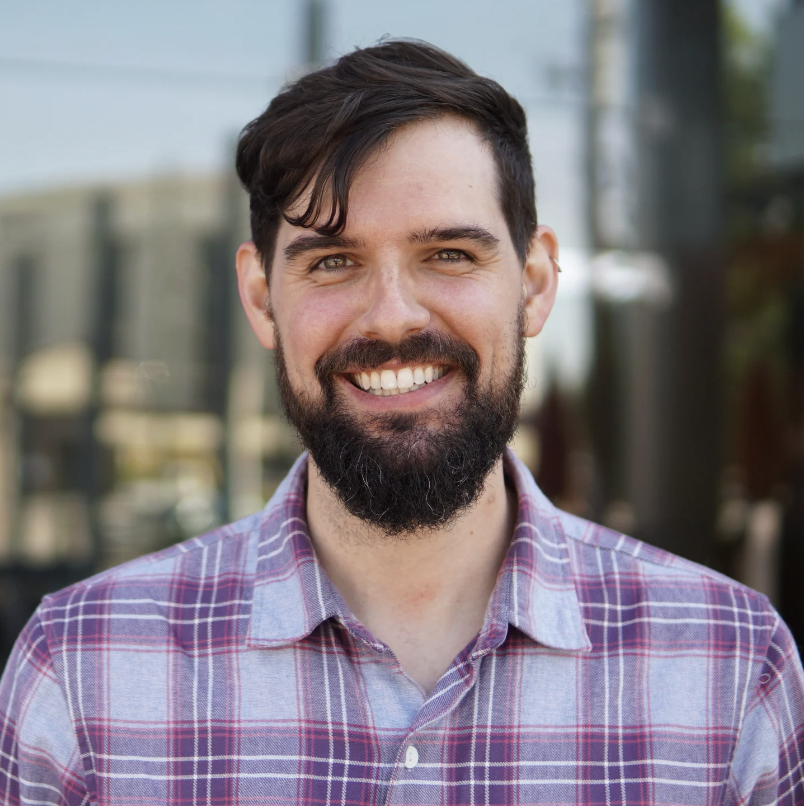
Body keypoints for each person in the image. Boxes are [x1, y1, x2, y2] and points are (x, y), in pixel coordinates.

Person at [1, 39, 803, 806]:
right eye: (332, 261)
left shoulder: (731, 667)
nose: (391, 318)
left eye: (449, 254)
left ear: (531, 283)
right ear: (259, 298)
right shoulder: (82, 667)